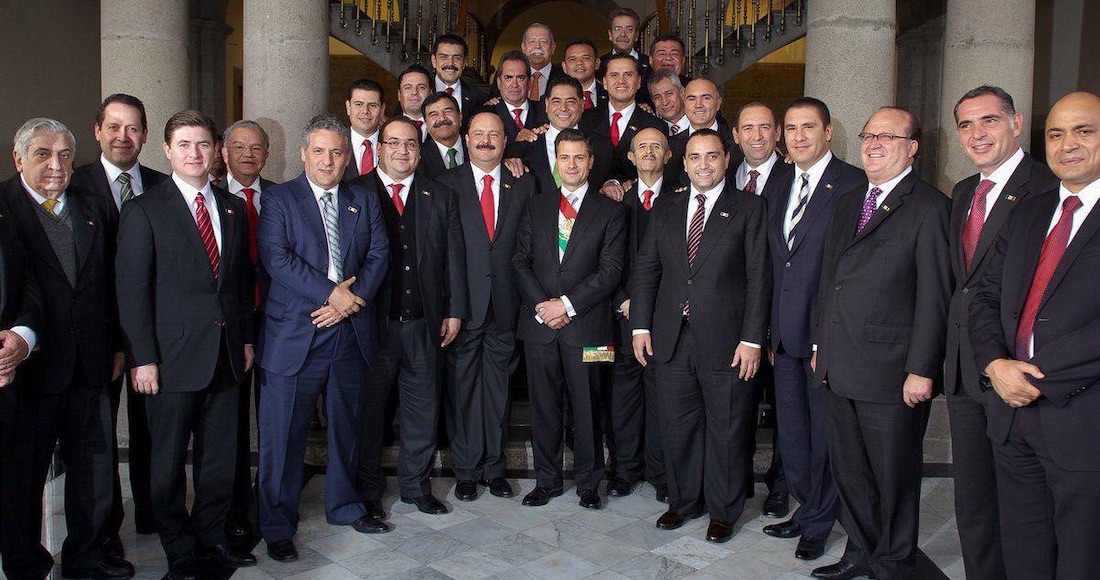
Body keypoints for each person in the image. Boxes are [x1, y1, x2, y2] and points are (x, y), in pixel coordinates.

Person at [116, 109, 257, 580]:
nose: (194, 153)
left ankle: (211, 538)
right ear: (167, 150)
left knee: (219, 461)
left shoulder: (232, 208)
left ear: (216, 150)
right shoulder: (144, 210)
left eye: (202, 144)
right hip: (170, 360)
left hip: (225, 356)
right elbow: (132, 291)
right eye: (184, 145)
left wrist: (245, 339)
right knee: (167, 463)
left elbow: (239, 284)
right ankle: (178, 548)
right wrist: (143, 358)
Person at [811, 107, 950, 580]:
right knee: (851, 473)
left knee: (893, 479)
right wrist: (820, 342)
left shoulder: (929, 207)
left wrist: (922, 368)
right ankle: (861, 552)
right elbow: (830, 278)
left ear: (912, 148)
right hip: (839, 363)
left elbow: (935, 296)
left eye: (887, 136)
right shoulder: (850, 200)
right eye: (869, 135)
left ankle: (893, 565)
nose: (873, 144)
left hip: (892, 373)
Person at [969, 91, 1100, 580]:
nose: (1068, 144)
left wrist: (1036, 375)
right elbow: (983, 295)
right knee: (1024, 551)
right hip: (1012, 415)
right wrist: (995, 364)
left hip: (1083, 418)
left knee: (1082, 557)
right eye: (1057, 134)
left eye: (1084, 131)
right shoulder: (1028, 212)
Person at [0, 118, 132, 580]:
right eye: (42, 154)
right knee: (22, 477)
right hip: (28, 369)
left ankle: (87, 558)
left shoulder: (91, 205)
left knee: (93, 472)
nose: (55, 165)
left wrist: (118, 344)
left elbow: (111, 282)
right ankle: (25, 564)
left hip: (91, 364)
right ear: (18, 159)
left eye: (63, 155)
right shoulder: (4, 208)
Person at [256, 114, 391, 563]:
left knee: (347, 426)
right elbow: (276, 258)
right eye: (319, 151)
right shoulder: (279, 198)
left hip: (349, 332)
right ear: (303, 154)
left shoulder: (362, 198)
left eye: (336, 152)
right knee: (283, 435)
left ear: (347, 156)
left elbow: (378, 253)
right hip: (295, 333)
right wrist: (332, 294)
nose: (328, 160)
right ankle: (277, 525)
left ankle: (345, 505)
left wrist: (348, 303)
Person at [631, 128, 770, 544]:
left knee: (726, 427)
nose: (703, 164)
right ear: (685, 162)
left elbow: (759, 276)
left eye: (711, 156)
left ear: (726, 159)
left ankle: (723, 511)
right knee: (678, 425)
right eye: (695, 157)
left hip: (729, 341)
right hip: (671, 337)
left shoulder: (749, 208)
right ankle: (685, 500)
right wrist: (641, 325)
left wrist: (753, 339)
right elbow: (647, 269)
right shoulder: (667, 206)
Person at [945, 85, 1056, 580]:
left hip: (1019, 372)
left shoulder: (1048, 187)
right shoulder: (963, 192)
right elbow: (963, 285)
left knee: (1025, 505)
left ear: (1016, 122)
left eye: (989, 120)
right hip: (965, 368)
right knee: (973, 500)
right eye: (966, 125)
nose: (977, 133)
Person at [760, 98, 865, 561]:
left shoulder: (853, 184)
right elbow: (772, 262)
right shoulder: (779, 183)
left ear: (828, 132)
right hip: (783, 335)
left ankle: (820, 521)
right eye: (791, 128)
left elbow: (849, 269)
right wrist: (766, 330)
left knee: (823, 436)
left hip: (824, 335)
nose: (799, 136)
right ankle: (806, 508)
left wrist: (828, 334)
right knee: (793, 434)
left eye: (809, 127)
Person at [352, 117, 467, 516]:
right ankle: (368, 490)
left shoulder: (440, 195)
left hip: (424, 323)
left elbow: (454, 256)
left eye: (411, 144)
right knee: (369, 413)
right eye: (394, 143)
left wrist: (455, 309)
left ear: (420, 150)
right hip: (371, 326)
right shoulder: (355, 192)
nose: (403, 151)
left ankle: (416, 487)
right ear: (379, 148)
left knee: (423, 410)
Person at [69, 93, 168, 550]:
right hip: (97, 334)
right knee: (99, 439)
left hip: (154, 331)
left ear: (145, 135)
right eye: (113, 127)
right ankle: (103, 532)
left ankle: (153, 513)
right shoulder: (73, 184)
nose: (123, 137)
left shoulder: (163, 185)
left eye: (132, 128)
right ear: (97, 131)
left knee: (153, 429)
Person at [513, 128, 626, 510]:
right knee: (544, 408)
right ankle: (546, 481)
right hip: (540, 328)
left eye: (579, 157)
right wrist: (543, 307)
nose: (572, 165)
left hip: (592, 332)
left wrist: (565, 305)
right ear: (556, 163)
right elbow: (520, 261)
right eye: (565, 158)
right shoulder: (536, 206)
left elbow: (610, 272)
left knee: (590, 407)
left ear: (591, 162)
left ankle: (589, 484)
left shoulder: (611, 211)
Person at [435, 112, 538, 501]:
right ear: (466, 138)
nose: (486, 140)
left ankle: (494, 469)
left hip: (507, 305)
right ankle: (466, 471)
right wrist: (451, 305)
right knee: (462, 391)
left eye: (494, 134)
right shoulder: (445, 184)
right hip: (462, 307)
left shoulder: (524, 182)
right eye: (478, 133)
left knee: (498, 391)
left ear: (505, 140)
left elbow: (531, 244)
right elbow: (441, 252)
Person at [606, 127, 676, 502]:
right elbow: (604, 260)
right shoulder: (615, 202)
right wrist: (624, 299)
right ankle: (624, 471)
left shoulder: (683, 199)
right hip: (621, 318)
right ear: (631, 157)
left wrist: (651, 304)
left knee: (662, 398)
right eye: (641, 147)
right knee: (623, 399)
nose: (649, 151)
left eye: (656, 146)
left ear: (668, 155)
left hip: (666, 318)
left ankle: (661, 473)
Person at [219, 119, 276, 543]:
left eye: (256, 148)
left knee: (273, 414)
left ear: (267, 155)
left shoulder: (281, 197)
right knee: (231, 420)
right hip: (229, 324)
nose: (248, 155)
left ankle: (271, 497)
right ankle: (235, 504)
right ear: (224, 153)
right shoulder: (209, 196)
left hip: (274, 321)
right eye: (239, 147)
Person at [580, 54, 666, 187]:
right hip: (593, 197)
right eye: (614, 75)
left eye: (628, 75)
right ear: (605, 82)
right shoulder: (584, 120)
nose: (621, 81)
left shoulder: (655, 126)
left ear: (638, 82)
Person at [485, 51, 547, 149]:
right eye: (508, 78)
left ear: (530, 83)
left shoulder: (546, 111)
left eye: (520, 78)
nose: (514, 85)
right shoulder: (486, 113)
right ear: (499, 82)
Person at [596, 7, 652, 101]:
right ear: (610, 34)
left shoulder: (650, 65)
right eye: (618, 29)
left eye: (629, 29)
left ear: (636, 35)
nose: (623, 34)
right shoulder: (599, 66)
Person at [430, 33, 487, 124]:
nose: (450, 63)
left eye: (457, 58)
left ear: (464, 63)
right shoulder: (422, 92)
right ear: (434, 60)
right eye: (443, 57)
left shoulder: (479, 98)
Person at [342, 78, 385, 181]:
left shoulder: (392, 144)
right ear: (348, 107)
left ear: (382, 109)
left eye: (373, 105)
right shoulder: (336, 142)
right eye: (359, 104)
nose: (365, 111)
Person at [419, 92, 467, 175]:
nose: (442, 118)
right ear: (426, 124)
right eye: (434, 114)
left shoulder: (477, 147)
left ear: (460, 117)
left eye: (447, 111)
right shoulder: (418, 156)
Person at [520, 23, 564, 100]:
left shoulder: (564, 76)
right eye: (532, 41)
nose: (537, 46)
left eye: (543, 42)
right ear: (523, 47)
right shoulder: (507, 76)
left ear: (552, 48)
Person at [562, 39, 605, 110]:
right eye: (572, 59)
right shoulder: (552, 97)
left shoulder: (610, 94)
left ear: (597, 63)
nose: (579, 63)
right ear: (564, 66)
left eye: (586, 58)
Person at [397, 65, 432, 141]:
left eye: (421, 87)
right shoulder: (387, 128)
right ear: (399, 95)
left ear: (430, 93)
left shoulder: (442, 126)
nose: (414, 92)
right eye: (408, 88)